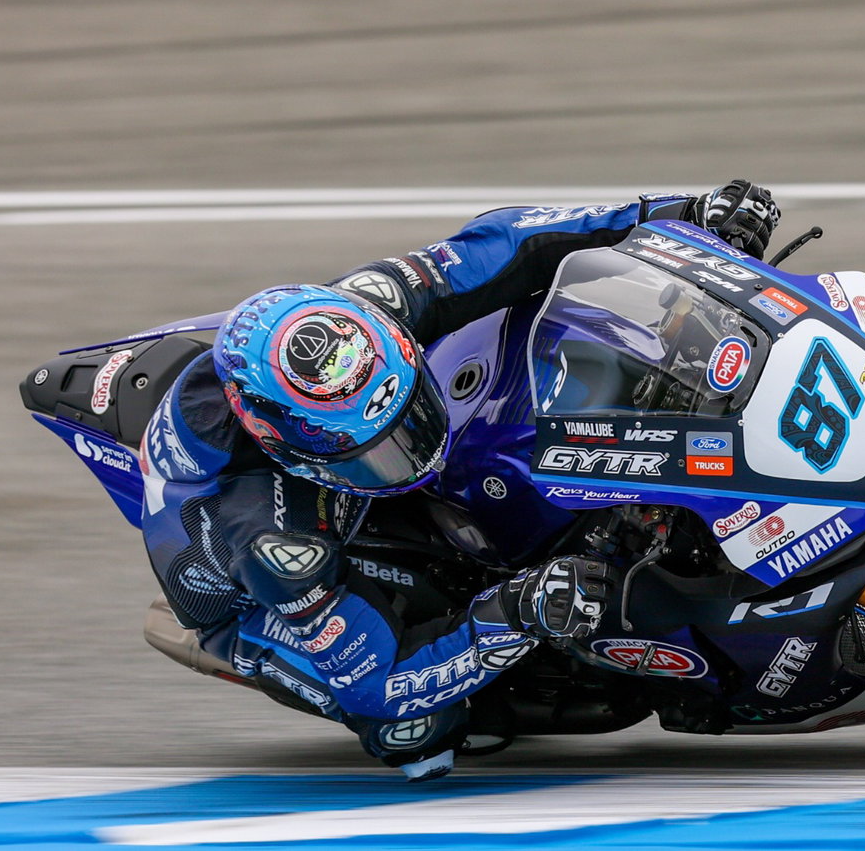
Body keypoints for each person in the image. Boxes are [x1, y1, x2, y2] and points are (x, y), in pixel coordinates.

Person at [139, 182, 781, 781]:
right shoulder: (273, 541)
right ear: (293, 450)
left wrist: (675, 214)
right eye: (379, 450)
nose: (413, 448)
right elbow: (379, 683)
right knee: (416, 734)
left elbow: (508, 243)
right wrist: (516, 612)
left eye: (408, 416)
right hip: (259, 602)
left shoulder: (362, 313)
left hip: (329, 450)